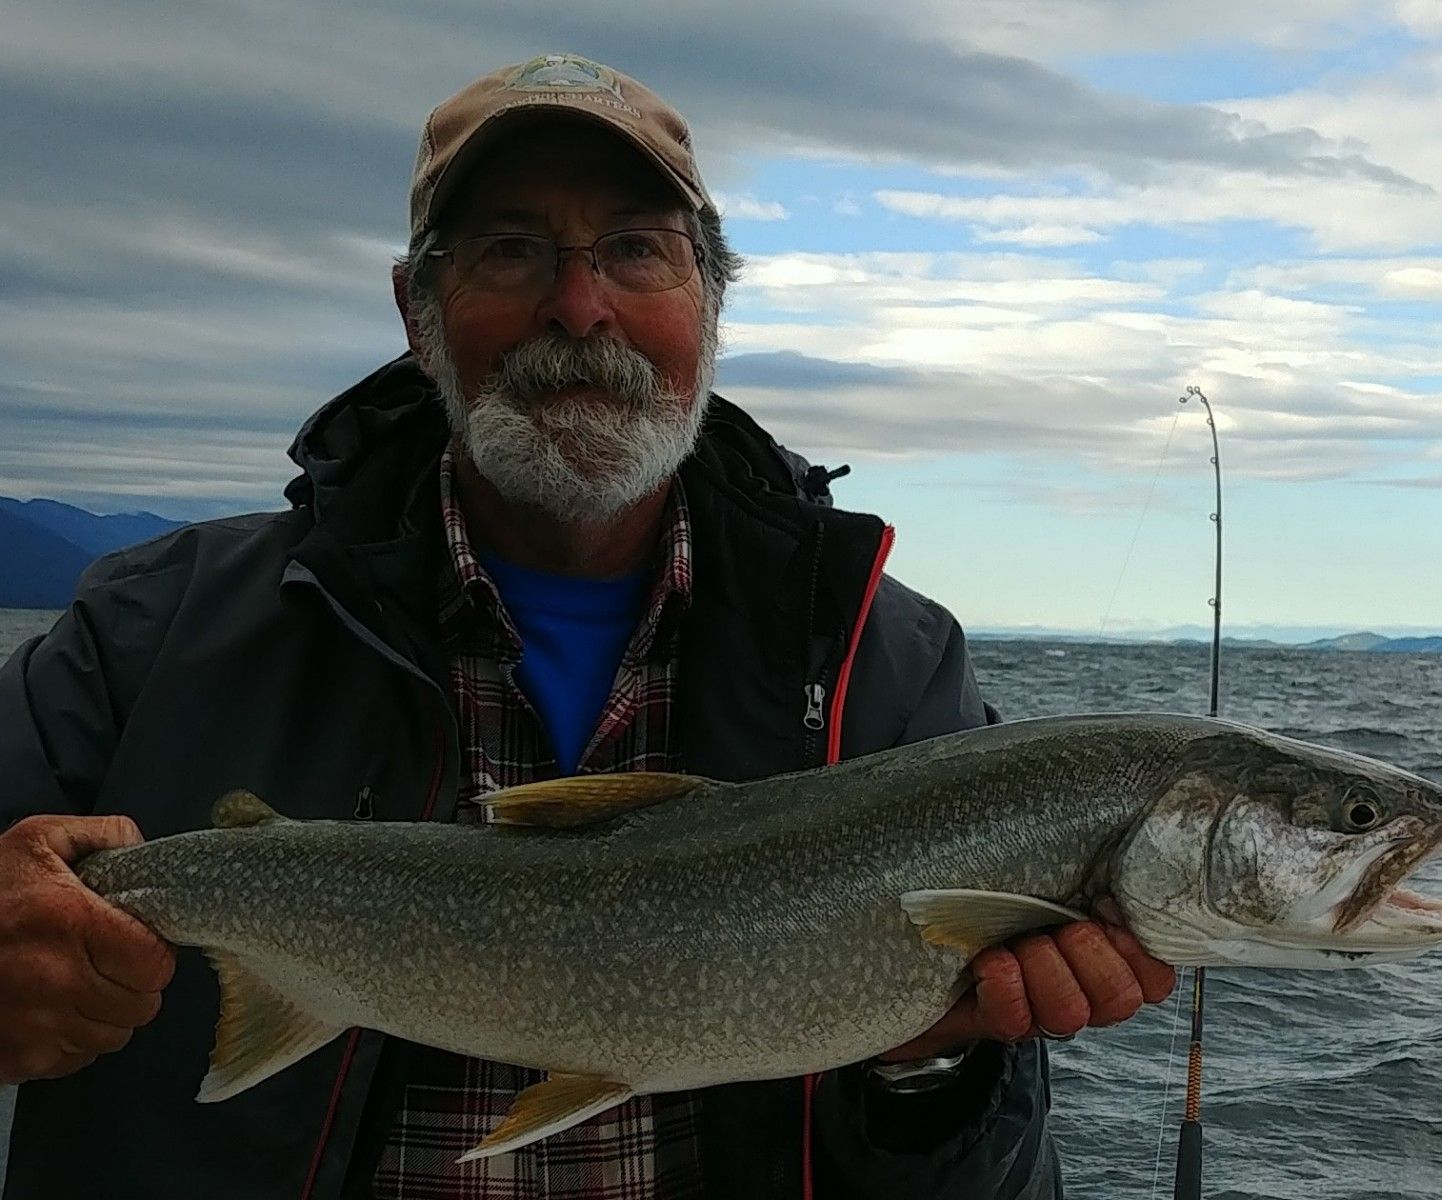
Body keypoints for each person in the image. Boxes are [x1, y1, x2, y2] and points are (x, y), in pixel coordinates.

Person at [0, 54, 1174, 1199]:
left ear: (708, 302)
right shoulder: (147, 634)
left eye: (633, 250)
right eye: (512, 250)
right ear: (419, 310)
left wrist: (942, 1059)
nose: (578, 305)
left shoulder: (892, 668)